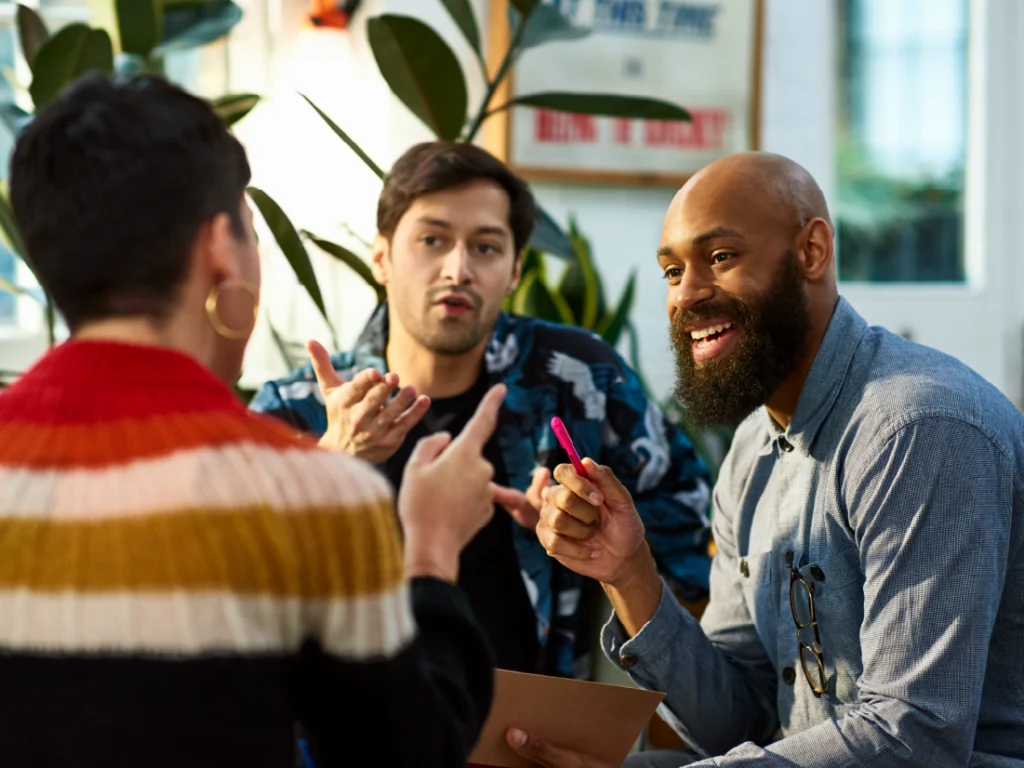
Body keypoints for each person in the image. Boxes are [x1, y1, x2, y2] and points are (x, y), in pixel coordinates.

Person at [0, 73, 504, 768]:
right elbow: (404, 752)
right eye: (252, 232)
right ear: (219, 252)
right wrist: (430, 551)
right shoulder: (315, 494)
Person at [501, 151, 1024, 768]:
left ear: (812, 251)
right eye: (672, 272)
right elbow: (741, 721)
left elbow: (915, 737)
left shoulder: (916, 429)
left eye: (721, 258)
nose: (688, 295)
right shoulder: (751, 453)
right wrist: (629, 573)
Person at [251, 141, 713, 678]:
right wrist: (329, 462)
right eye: (432, 240)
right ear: (381, 257)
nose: (457, 269)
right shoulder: (298, 409)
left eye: (486, 247)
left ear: (515, 270)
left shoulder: (576, 377)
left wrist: (592, 526)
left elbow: (693, 517)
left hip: (532, 737)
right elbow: (218, 588)